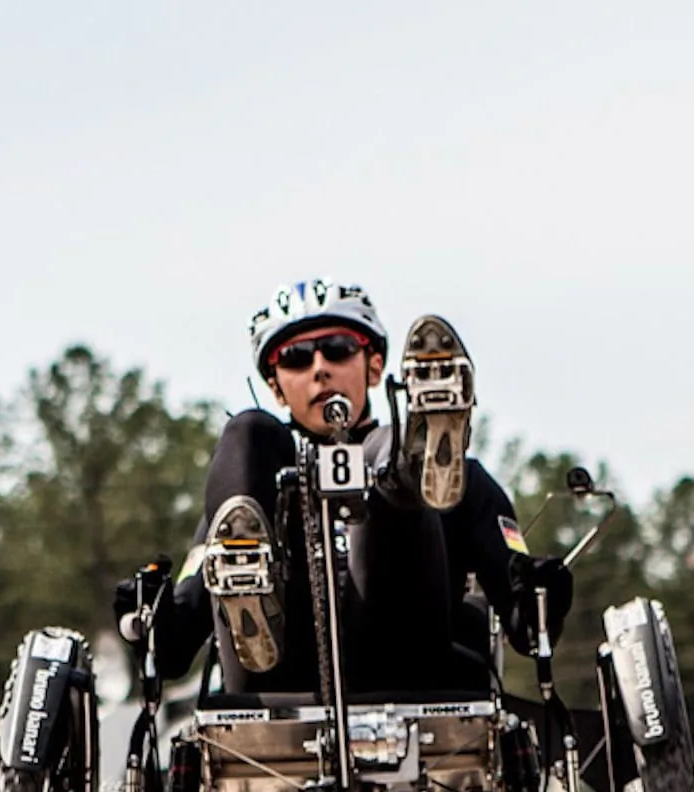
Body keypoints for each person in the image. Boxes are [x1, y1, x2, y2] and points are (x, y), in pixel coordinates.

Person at [126, 279, 574, 696]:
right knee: (248, 434)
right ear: (277, 388)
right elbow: (174, 651)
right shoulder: (245, 493)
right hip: (278, 673)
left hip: (403, 666)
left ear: (374, 366)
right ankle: (249, 581)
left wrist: (541, 588)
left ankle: (413, 458)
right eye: (296, 358)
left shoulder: (463, 479)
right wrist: (147, 614)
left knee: (386, 454)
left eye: (338, 350)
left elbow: (528, 629)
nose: (320, 369)